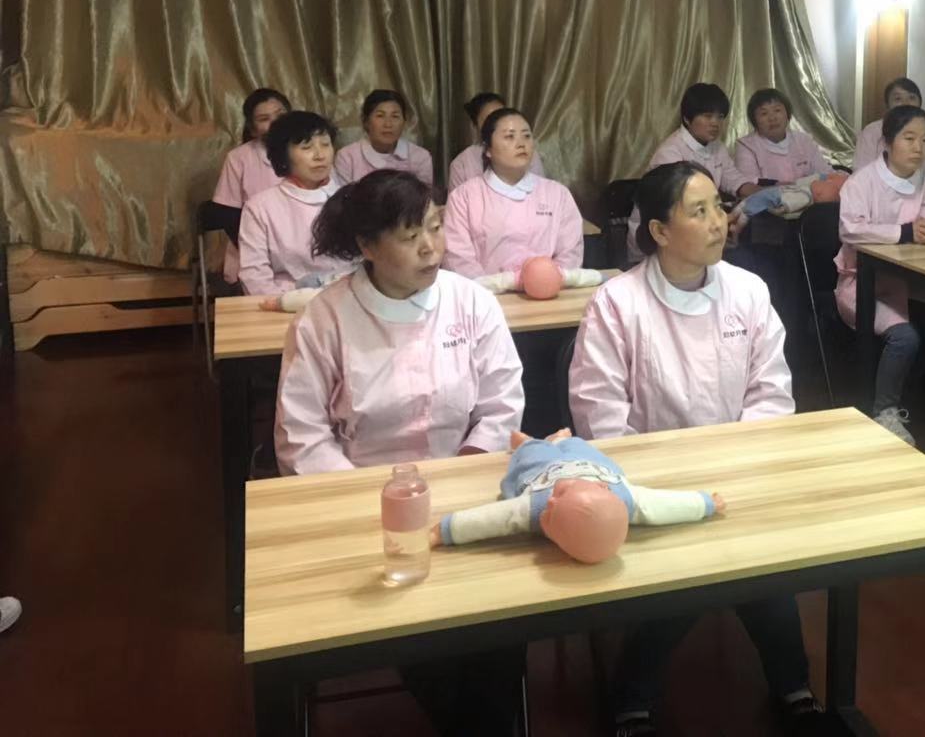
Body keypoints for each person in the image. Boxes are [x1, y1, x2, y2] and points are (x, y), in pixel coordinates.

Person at [569, 163, 824, 737]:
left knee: (753, 561)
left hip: (740, 471)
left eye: (718, 207)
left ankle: (792, 688)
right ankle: (637, 697)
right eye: (699, 211)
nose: (718, 222)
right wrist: (665, 489)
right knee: (695, 568)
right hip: (650, 485)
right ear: (660, 232)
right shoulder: (617, 303)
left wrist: (737, 468)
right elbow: (600, 415)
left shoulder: (748, 290)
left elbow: (771, 392)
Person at [272, 168, 525, 733]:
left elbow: (502, 402)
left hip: (464, 494)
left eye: (435, 227)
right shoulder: (326, 318)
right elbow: (302, 435)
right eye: (411, 236)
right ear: (367, 246)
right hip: (366, 507)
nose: (431, 246)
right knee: (428, 635)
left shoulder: (470, 302)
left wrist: (468, 471)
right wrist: (377, 499)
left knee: (503, 626)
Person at [834, 105, 925, 445]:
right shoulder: (862, 182)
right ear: (887, 141)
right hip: (863, 285)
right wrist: (906, 232)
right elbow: (850, 229)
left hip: (916, 284)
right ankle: (884, 412)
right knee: (906, 337)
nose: (918, 148)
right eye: (909, 138)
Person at [431, 428, 724, 562]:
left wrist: (443, 531)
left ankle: (528, 442)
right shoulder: (628, 498)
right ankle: (563, 439)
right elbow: (665, 504)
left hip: (542, 472)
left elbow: (491, 519)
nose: (552, 500)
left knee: (532, 455)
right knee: (579, 445)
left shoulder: (537, 506)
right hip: (592, 464)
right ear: (602, 488)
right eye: (563, 492)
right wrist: (705, 503)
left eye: (550, 520)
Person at [624, 83, 760, 263]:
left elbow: (736, 181)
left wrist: (770, 194)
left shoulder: (717, 147)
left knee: (752, 256)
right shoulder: (670, 153)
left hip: (696, 233)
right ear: (687, 119)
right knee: (743, 259)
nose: (715, 123)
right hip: (659, 242)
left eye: (720, 117)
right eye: (707, 116)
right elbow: (678, 211)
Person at [443, 107, 584, 279]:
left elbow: (570, 253)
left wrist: (545, 282)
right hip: (485, 292)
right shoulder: (463, 197)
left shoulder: (558, 194)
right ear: (487, 149)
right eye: (509, 136)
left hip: (549, 290)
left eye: (527, 136)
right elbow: (458, 258)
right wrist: (494, 287)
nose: (521, 143)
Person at [237, 111, 355, 296]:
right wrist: (291, 300)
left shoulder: (352, 198)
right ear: (283, 156)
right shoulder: (260, 207)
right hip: (286, 302)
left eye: (325, 144)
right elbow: (255, 278)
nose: (320, 155)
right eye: (307, 147)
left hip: (349, 299)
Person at [212, 87, 291, 282]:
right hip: (255, 252)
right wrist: (259, 248)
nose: (275, 123)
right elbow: (228, 214)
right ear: (253, 129)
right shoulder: (239, 158)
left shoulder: (310, 151)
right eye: (264, 119)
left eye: (280, 115)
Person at [332, 89, 434, 187]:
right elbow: (342, 198)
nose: (388, 124)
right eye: (380, 116)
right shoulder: (347, 157)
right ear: (366, 121)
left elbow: (424, 197)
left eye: (395, 116)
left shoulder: (420, 157)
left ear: (404, 122)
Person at [450, 91, 548, 189]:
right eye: (490, 120)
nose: (499, 123)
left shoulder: (526, 153)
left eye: (503, 116)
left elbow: (541, 190)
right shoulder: (462, 164)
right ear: (475, 126)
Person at [733, 88, 831, 184]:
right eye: (764, 113)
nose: (772, 118)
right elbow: (748, 182)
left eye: (777, 110)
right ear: (754, 121)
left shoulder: (804, 141)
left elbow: (826, 172)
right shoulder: (747, 146)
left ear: (788, 115)